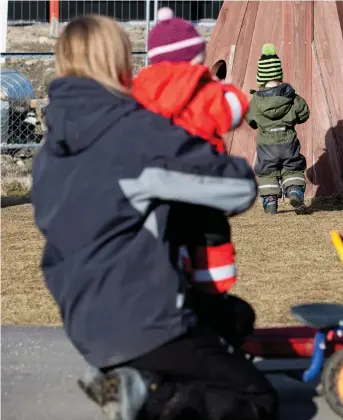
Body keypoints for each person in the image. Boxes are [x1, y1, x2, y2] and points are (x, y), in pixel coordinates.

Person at [31, 14, 278, 420]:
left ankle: (119, 376)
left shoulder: (51, 150)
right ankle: (148, 394)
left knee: (234, 318)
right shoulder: (132, 132)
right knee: (257, 402)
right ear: (120, 64)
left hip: (83, 318)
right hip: (145, 315)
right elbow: (235, 190)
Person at [132, 7, 254, 348]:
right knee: (210, 235)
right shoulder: (206, 92)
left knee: (171, 240)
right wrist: (223, 87)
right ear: (194, 56)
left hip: (158, 190)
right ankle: (212, 286)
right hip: (202, 186)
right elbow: (235, 109)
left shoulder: (140, 91)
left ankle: (175, 285)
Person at [244, 43, 310, 215]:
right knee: (292, 167)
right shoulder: (292, 97)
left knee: (267, 172)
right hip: (288, 140)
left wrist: (257, 123)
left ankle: (270, 201)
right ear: (279, 75)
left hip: (266, 144)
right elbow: (303, 113)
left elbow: (249, 118)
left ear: (261, 78)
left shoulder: (256, 101)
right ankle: (294, 190)